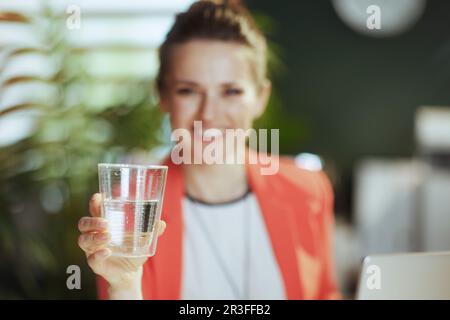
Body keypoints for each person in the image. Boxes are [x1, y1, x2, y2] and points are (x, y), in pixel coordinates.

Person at [78, 0, 340, 300]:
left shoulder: (308, 190)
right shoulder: (132, 210)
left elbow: (325, 294)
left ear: (260, 97)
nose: (209, 115)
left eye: (231, 91)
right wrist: (124, 286)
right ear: (164, 97)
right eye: (188, 90)